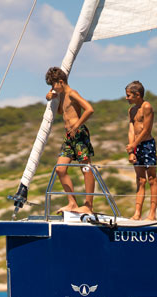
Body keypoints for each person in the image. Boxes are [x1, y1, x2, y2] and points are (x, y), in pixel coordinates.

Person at [45, 67, 95, 215]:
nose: (53, 88)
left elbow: (89, 109)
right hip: (69, 136)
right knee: (60, 168)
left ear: (60, 82)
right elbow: (62, 111)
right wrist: (51, 97)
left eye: (53, 85)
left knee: (86, 168)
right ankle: (72, 203)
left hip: (78, 133)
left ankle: (88, 205)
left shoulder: (72, 93)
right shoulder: (62, 95)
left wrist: (77, 125)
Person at [125, 80, 157, 221]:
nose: (126, 98)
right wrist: (131, 150)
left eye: (128, 96)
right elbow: (131, 129)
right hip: (136, 146)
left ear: (137, 95)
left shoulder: (147, 107)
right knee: (140, 179)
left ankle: (152, 213)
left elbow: (146, 130)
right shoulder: (131, 110)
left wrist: (134, 145)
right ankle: (137, 213)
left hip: (147, 145)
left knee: (151, 178)